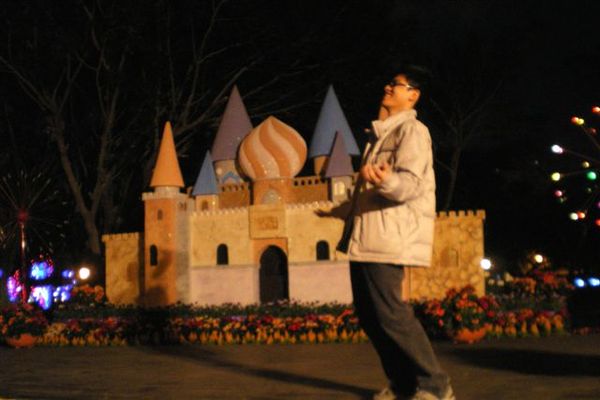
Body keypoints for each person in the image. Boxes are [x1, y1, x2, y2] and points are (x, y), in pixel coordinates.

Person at [344, 66, 455, 400]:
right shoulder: (379, 136)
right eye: (389, 82)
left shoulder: (413, 131)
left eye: (397, 84)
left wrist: (386, 181)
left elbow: (411, 184)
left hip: (388, 237)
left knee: (391, 314)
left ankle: (436, 386)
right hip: (366, 237)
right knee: (371, 316)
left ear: (413, 95)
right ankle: (404, 384)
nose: (388, 87)